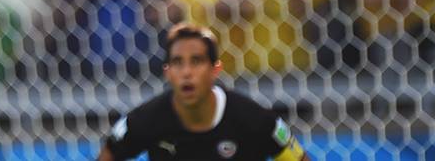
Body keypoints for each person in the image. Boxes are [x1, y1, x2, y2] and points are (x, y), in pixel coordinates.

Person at [99, 23, 310, 161]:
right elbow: (108, 154)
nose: (187, 72)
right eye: (177, 63)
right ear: (168, 73)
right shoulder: (146, 120)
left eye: (196, 61)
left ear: (215, 70)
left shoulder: (254, 120)